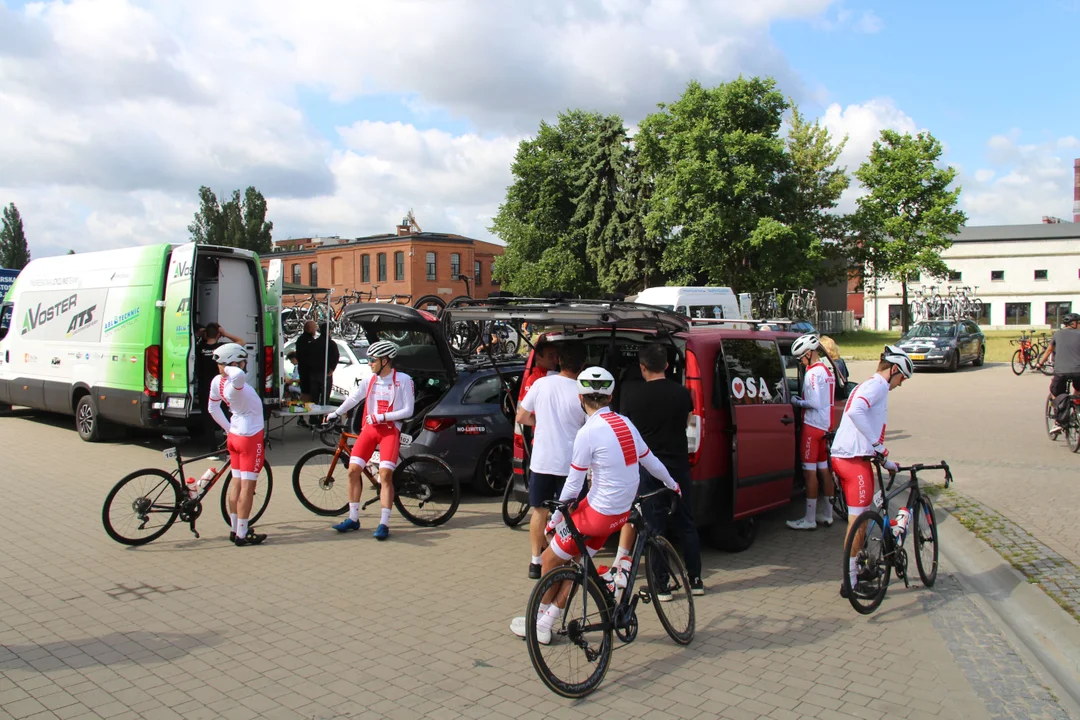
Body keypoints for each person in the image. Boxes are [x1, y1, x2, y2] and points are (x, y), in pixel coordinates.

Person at [509, 367, 681, 643]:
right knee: (576, 563)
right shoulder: (626, 423)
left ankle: (538, 622)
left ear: (580, 397)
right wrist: (673, 484)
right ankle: (549, 619)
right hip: (619, 514)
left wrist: (554, 519)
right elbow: (650, 461)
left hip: (596, 516)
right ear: (611, 395)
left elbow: (573, 486)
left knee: (551, 559)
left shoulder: (587, 432)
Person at [616, 343, 704, 596]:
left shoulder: (632, 397)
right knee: (686, 522)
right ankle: (695, 579)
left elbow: (629, 433)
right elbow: (688, 422)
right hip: (678, 465)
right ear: (666, 365)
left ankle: (662, 584)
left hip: (649, 469)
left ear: (642, 368)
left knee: (654, 527)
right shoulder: (682, 393)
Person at [829, 345, 913, 598]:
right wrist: (877, 446)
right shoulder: (877, 385)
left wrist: (885, 460)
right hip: (853, 461)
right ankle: (850, 581)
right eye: (902, 378)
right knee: (859, 524)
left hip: (854, 458)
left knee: (862, 520)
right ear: (894, 369)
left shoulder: (871, 385)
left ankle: (858, 569)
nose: (901, 384)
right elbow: (855, 411)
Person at [325, 341, 414, 541]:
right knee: (352, 471)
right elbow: (354, 398)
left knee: (385, 475)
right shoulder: (370, 380)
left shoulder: (403, 380)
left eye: (372, 360)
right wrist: (335, 413)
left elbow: (409, 411)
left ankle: (384, 523)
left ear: (384, 361)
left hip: (389, 430)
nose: (369, 364)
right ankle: (353, 518)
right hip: (370, 429)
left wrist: (382, 417)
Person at [515, 342, 587, 579]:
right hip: (571, 465)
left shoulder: (541, 384)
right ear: (583, 366)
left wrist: (541, 423)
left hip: (542, 461)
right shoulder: (582, 390)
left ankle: (535, 562)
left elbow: (522, 416)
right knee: (572, 513)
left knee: (539, 511)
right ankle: (564, 560)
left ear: (559, 361)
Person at [207, 343, 267, 547]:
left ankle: (235, 529)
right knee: (247, 488)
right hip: (250, 438)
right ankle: (242, 533)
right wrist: (226, 365)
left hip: (234, 435)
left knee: (236, 483)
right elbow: (239, 376)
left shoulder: (218, 382)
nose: (245, 365)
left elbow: (212, 408)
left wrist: (227, 428)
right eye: (242, 362)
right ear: (235, 363)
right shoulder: (235, 384)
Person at [786, 334, 838, 531]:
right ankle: (827, 514)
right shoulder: (827, 370)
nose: (799, 362)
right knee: (824, 470)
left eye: (800, 358)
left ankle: (809, 518)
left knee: (810, 474)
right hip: (825, 426)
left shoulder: (812, 373)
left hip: (812, 427)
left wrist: (797, 401)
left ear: (808, 354)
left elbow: (814, 402)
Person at [195, 323, 245, 443]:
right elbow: (241, 342)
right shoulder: (222, 348)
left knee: (208, 416)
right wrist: (225, 334)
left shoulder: (198, 347)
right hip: (222, 386)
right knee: (226, 414)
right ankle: (228, 444)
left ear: (206, 334)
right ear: (218, 334)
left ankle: (212, 447)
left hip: (205, 387)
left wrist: (201, 334)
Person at [1037, 312, 1080, 437]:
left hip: (1061, 372)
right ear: (1073, 324)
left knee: (1056, 392)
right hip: (1078, 371)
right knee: (1078, 389)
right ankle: (1075, 408)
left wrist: (1040, 364)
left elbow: (1049, 350)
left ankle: (1058, 420)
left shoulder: (1058, 334)